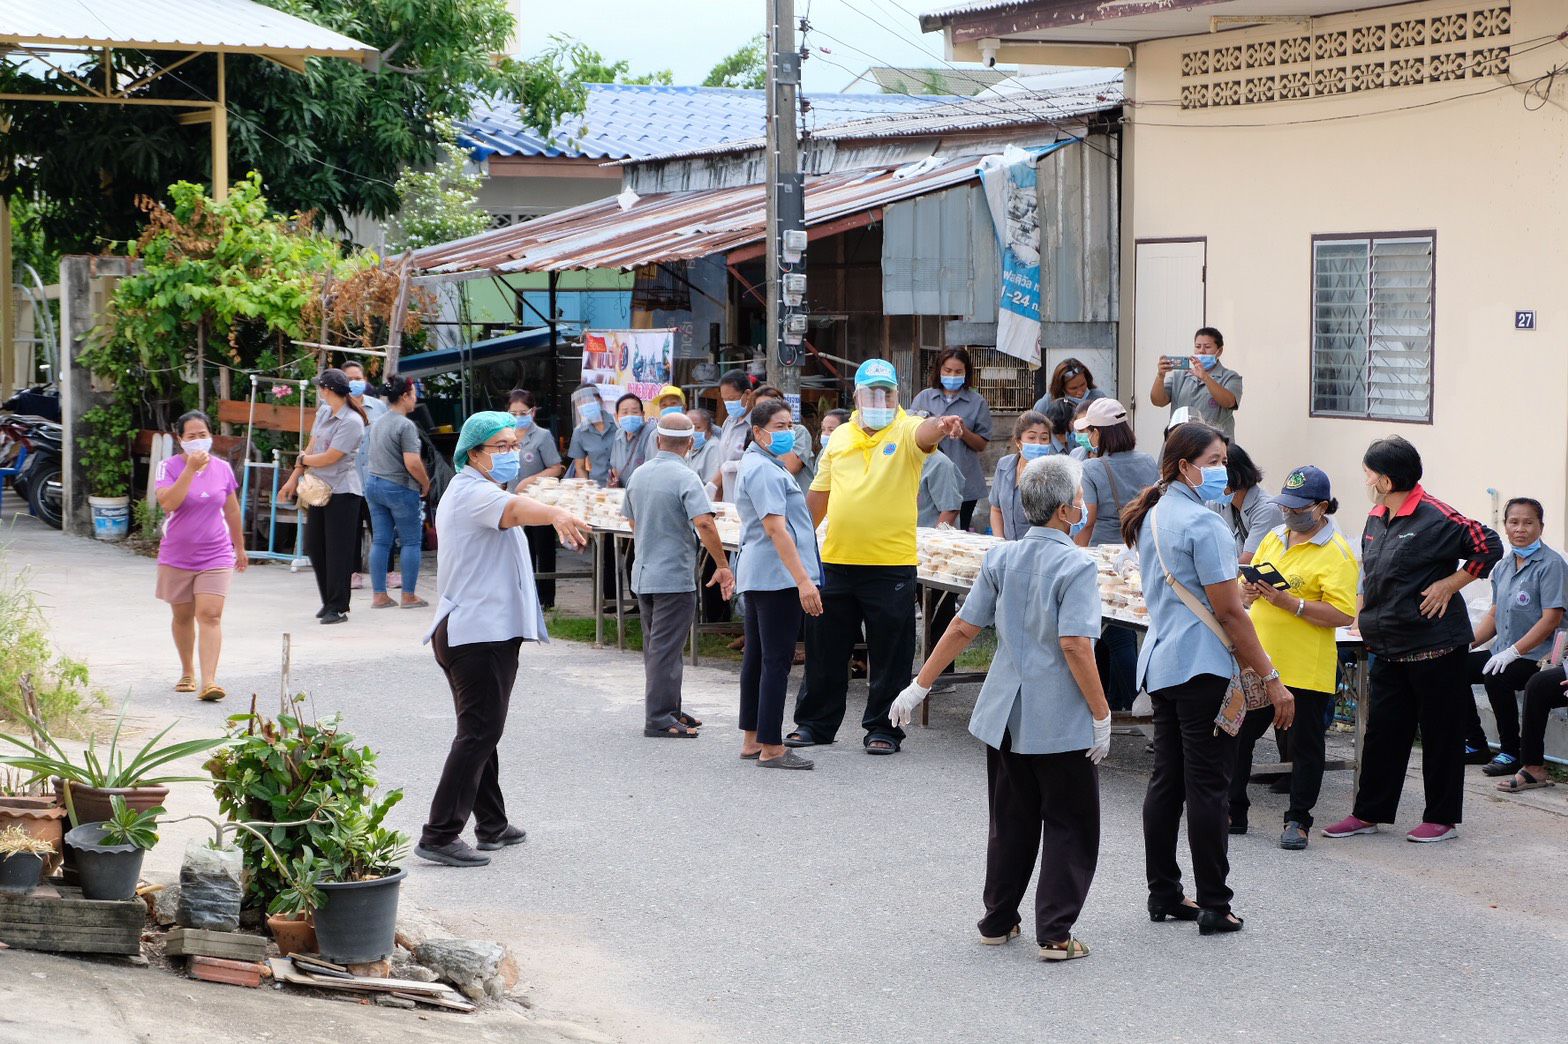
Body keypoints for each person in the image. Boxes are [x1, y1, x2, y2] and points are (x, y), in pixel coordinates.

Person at [890, 454, 1111, 960]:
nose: (1081, 507)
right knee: (1070, 824)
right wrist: (1102, 716)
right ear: (1063, 511)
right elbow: (1076, 645)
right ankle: (1055, 932)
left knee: (1011, 819)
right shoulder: (1077, 564)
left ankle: (997, 918)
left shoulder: (1001, 557)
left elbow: (963, 627)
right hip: (1059, 716)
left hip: (1006, 712)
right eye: (1076, 501)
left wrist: (920, 684)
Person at [1121, 421, 1295, 934]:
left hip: (1163, 661)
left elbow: (1201, 597)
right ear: (1185, 467)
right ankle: (1215, 902)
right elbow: (1231, 614)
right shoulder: (1206, 524)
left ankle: (1165, 894)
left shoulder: (1154, 513)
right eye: (1215, 462)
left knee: (1168, 781)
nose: (1223, 471)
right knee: (1208, 788)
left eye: (1224, 461)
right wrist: (1273, 678)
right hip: (1202, 665)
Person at [414, 411, 592, 868]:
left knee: (481, 730)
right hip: (476, 634)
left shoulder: (483, 489)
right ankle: (439, 834)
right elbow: (515, 512)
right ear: (472, 453)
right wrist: (553, 512)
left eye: (514, 446)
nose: (511, 454)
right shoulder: (473, 493)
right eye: (500, 447)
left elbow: (511, 507)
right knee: (479, 732)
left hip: (481, 631)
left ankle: (491, 824)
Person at [1322, 436, 1502, 844]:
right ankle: (1369, 813)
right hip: (1387, 644)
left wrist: (1450, 584)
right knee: (1383, 733)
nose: (1364, 479)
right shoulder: (1376, 516)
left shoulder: (1435, 515)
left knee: (1440, 733)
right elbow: (1373, 572)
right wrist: (1362, 613)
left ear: (1385, 479)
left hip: (1435, 645)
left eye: (1369, 472)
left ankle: (1441, 818)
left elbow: (1488, 545)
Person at [789, 358, 963, 756]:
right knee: (825, 650)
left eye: (887, 392)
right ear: (856, 396)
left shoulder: (904, 430)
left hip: (889, 567)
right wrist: (799, 541)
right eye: (872, 392)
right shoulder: (841, 437)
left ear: (897, 396)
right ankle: (815, 723)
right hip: (835, 561)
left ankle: (883, 728)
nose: (879, 399)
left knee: (890, 652)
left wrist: (942, 423)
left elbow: (926, 432)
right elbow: (819, 494)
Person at [1231, 466, 1358, 850]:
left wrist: (1292, 603)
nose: (1289, 513)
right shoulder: (1274, 536)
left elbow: (1343, 614)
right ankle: (1234, 810)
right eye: (1285, 505)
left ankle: (1298, 820)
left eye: (1298, 508)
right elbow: (1240, 588)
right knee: (1238, 736)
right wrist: (1247, 592)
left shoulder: (1337, 552)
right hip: (1258, 661)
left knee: (1305, 746)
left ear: (1321, 508)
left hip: (1305, 667)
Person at [622, 413, 735, 738]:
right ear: (689, 443)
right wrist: (722, 565)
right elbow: (704, 523)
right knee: (666, 648)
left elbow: (633, 522)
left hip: (644, 573)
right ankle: (658, 717)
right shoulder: (686, 477)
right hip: (673, 576)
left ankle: (668, 707)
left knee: (657, 647)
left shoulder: (639, 474)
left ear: (658, 440)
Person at [735, 398, 824, 769]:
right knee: (775, 660)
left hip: (763, 574)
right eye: (780, 427)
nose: (789, 433)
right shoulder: (766, 471)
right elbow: (776, 529)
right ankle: (772, 746)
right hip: (776, 578)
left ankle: (753, 737)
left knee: (758, 657)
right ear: (758, 432)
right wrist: (804, 580)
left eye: (791, 425)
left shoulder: (763, 464)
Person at [1464, 498, 1565, 781]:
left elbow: (1551, 619)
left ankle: (1511, 750)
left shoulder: (1552, 564)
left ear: (1540, 527)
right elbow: (1495, 613)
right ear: (1505, 526)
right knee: (1454, 666)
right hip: (1504, 649)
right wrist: (1467, 644)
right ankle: (1475, 743)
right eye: (1514, 522)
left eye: (1528, 522)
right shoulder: (1504, 565)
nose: (1520, 529)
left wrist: (1512, 652)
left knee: (1498, 676)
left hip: (1538, 657)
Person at [154, 410, 246, 702]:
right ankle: (187, 671)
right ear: (180, 440)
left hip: (216, 553)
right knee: (182, 616)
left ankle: (210, 681)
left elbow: (231, 510)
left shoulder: (222, 469)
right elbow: (169, 502)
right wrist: (189, 471)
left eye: (203, 435)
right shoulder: (167, 467)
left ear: (211, 437)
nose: (198, 441)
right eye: (191, 436)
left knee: (210, 615)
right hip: (177, 555)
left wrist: (239, 547)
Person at [1073, 398, 1157, 712]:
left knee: (1114, 632)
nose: (1087, 437)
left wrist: (1077, 553)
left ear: (1101, 433)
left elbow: (1088, 518)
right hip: (1138, 551)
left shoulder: (1093, 467)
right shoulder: (1148, 462)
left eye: (1090, 431)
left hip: (1103, 556)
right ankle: (1119, 697)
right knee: (1129, 626)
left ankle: (1125, 700)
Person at [279, 368, 367, 625]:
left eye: (321, 387)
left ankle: (338, 607)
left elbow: (331, 457)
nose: (320, 391)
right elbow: (312, 444)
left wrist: (303, 460)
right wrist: (294, 476)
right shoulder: (325, 412)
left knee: (338, 551)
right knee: (315, 546)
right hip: (318, 488)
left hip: (343, 491)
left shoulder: (352, 421)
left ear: (326, 390)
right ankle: (328, 600)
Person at [364, 375, 432, 610]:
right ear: (404, 396)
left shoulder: (379, 421)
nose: (415, 399)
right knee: (411, 541)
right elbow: (412, 462)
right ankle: (408, 595)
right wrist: (425, 483)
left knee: (381, 541)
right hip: (399, 487)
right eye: (413, 394)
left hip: (373, 485)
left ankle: (379, 595)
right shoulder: (405, 425)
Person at [910, 348, 992, 530]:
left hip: (965, 481)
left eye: (958, 372)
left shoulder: (977, 402)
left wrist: (964, 432)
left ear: (966, 373)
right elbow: (910, 432)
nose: (952, 375)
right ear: (939, 370)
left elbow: (981, 444)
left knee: (956, 532)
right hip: (927, 478)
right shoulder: (924, 397)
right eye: (947, 371)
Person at [507, 388, 566, 610]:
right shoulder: (505, 435)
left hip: (539, 502)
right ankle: (524, 596)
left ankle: (546, 599)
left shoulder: (541, 435)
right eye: (513, 413)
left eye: (522, 412)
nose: (518, 417)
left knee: (543, 548)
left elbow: (555, 468)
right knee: (521, 549)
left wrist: (531, 480)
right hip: (513, 502)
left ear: (532, 412)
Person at [341, 360, 387, 592]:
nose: (355, 383)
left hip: (375, 477)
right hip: (347, 479)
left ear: (365, 380)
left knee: (381, 526)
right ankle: (352, 573)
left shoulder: (379, 407)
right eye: (349, 379)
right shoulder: (336, 409)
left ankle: (387, 572)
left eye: (358, 378)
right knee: (350, 530)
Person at [1150, 327, 1243, 440]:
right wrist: (1160, 376)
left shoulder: (1230, 377)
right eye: (1198, 346)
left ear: (1219, 351)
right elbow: (1158, 401)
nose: (1201, 351)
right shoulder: (1180, 376)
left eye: (1207, 347)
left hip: (1214, 444)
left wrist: (1206, 377)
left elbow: (1229, 402)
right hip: (1182, 442)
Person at [1205, 444, 1283, 564]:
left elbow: (1247, 563)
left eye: (1219, 481)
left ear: (1238, 477)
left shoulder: (1267, 510)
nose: (1213, 486)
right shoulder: (1217, 502)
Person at [988, 411, 1052, 541]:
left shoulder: (1053, 473)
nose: (1038, 444)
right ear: (1018, 441)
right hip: (1008, 549)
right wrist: (1000, 542)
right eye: (1032, 438)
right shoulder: (1004, 465)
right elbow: (996, 510)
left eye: (1044, 438)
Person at [752, 384, 815, 494]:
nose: (767, 413)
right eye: (761, 408)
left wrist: (781, 432)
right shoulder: (758, 437)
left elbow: (790, 467)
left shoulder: (798, 432)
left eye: (771, 406)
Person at [709, 370, 757, 498]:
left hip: (750, 499)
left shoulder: (757, 424)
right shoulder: (729, 422)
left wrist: (737, 465)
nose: (728, 404)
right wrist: (713, 486)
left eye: (732, 399)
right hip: (729, 500)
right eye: (725, 400)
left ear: (747, 394)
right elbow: (723, 464)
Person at [566, 385, 618, 487]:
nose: (586, 405)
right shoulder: (579, 432)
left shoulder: (618, 423)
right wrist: (588, 488)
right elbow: (579, 467)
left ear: (601, 401)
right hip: (598, 487)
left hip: (623, 484)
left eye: (590, 400)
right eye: (582, 403)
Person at [1030, 357, 1107, 414]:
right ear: (1061, 387)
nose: (1080, 392)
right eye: (1073, 388)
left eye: (1083, 384)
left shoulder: (1098, 398)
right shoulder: (1048, 402)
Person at [608, 393, 653, 488]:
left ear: (643, 414)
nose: (630, 416)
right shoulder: (618, 434)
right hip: (622, 492)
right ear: (616, 416)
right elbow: (614, 467)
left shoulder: (651, 433)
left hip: (643, 492)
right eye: (624, 412)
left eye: (635, 412)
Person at [917, 451, 963, 528]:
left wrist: (935, 539)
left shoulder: (939, 462)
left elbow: (950, 510)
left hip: (926, 536)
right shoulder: (896, 459)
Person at [685, 408, 719, 482]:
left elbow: (713, 484)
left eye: (698, 428)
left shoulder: (713, 447)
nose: (693, 432)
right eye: (689, 428)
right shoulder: (692, 447)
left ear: (709, 430)